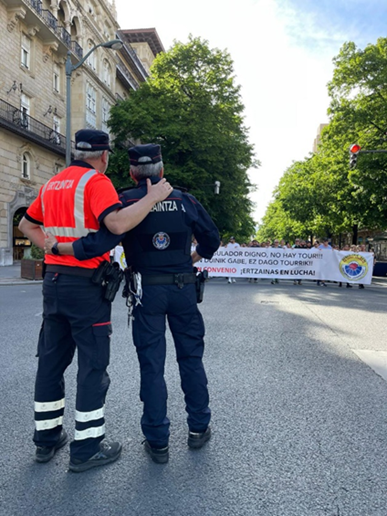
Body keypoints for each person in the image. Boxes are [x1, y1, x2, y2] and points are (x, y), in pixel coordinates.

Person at [45, 143, 220, 465]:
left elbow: (100, 241)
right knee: (191, 360)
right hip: (183, 289)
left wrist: (60, 248)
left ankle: (158, 441)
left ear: (130, 173)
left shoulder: (124, 202)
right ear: (162, 171)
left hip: (146, 292)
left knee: (152, 366)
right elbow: (212, 239)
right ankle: (199, 427)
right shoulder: (185, 200)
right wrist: (190, 260)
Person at [19, 131, 172, 472]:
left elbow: (27, 224)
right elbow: (117, 222)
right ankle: (87, 447)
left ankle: (46, 439)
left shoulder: (53, 183)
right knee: (92, 364)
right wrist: (154, 197)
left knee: (51, 360)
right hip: (86, 286)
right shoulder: (95, 182)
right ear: (103, 156)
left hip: (54, 280)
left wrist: (51, 246)